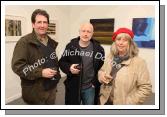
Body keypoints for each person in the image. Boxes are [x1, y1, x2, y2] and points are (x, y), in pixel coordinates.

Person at [11, 9, 61, 105]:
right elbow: (18, 67)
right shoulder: (24, 42)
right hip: (35, 93)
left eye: (45, 22)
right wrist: (41, 72)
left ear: (47, 24)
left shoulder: (51, 42)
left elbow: (52, 61)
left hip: (52, 88)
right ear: (33, 24)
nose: (42, 25)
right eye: (39, 22)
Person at [98, 27, 152, 105]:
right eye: (118, 39)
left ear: (130, 43)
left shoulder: (139, 62)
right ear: (115, 42)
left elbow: (146, 88)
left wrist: (128, 103)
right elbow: (101, 71)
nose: (121, 43)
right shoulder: (110, 57)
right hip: (104, 101)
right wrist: (101, 76)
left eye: (125, 40)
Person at [59, 23, 105, 105]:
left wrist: (96, 83)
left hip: (90, 88)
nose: (86, 34)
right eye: (83, 31)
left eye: (88, 31)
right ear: (79, 32)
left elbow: (101, 67)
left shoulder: (98, 49)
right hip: (73, 86)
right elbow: (62, 62)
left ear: (92, 33)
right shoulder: (70, 46)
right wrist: (69, 68)